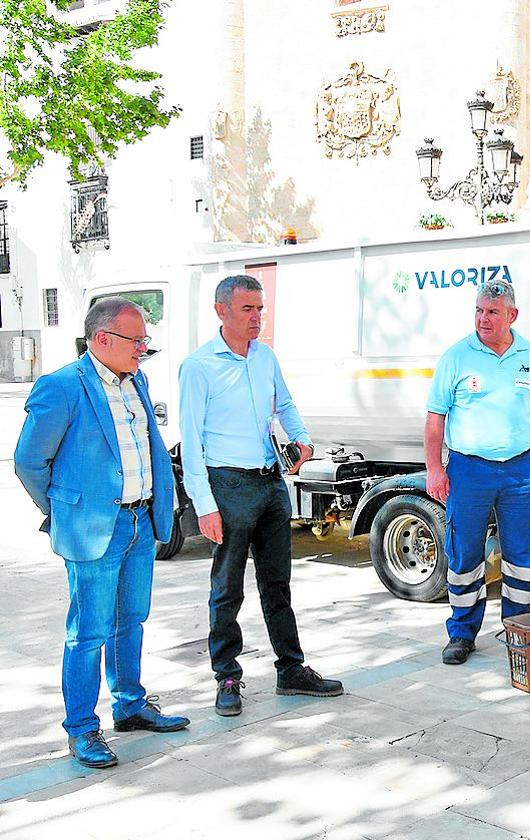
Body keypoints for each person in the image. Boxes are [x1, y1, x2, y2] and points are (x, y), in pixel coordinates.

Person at [14, 298, 190, 769]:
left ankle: (130, 705)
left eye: (145, 340)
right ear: (101, 340)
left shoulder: (138, 380)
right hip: (94, 529)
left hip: (139, 521)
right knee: (88, 633)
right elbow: (29, 462)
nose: (144, 349)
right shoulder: (62, 388)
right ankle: (81, 729)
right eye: (137, 341)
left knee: (131, 620)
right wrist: (63, 510)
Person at [179, 274, 342, 716]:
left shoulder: (265, 357)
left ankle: (291, 669)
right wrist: (204, 504)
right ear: (221, 311)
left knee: (278, 583)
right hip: (227, 485)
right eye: (248, 309)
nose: (257, 318)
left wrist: (303, 440)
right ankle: (227, 676)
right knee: (227, 587)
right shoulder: (199, 367)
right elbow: (190, 442)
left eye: (261, 308)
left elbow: (284, 405)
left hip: (271, 482)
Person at [425, 278, 530, 665]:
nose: (483, 319)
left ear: (512, 316)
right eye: (479, 310)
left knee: (522, 553)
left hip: (519, 470)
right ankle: (462, 633)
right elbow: (435, 419)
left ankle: (519, 630)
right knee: (465, 553)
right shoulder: (456, 356)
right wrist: (435, 468)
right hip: (469, 471)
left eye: (492, 313)